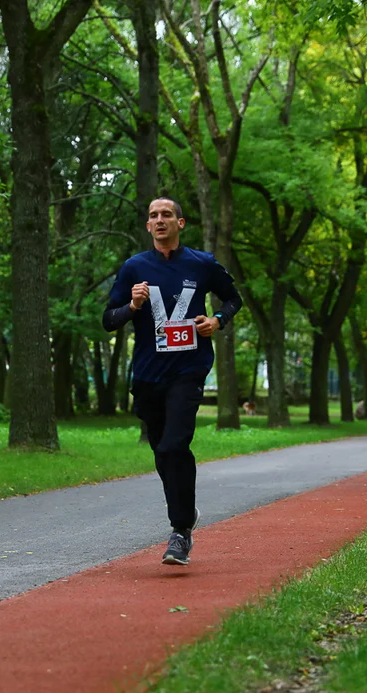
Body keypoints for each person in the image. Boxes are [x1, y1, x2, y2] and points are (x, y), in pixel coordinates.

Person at [102, 197, 243, 566]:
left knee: (173, 446)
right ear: (148, 226)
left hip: (189, 369)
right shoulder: (134, 268)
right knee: (165, 453)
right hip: (149, 376)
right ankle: (187, 514)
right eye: (153, 216)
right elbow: (108, 319)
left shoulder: (202, 264)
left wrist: (217, 320)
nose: (159, 220)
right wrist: (132, 307)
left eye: (166, 215)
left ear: (180, 224)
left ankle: (180, 530)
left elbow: (233, 299)